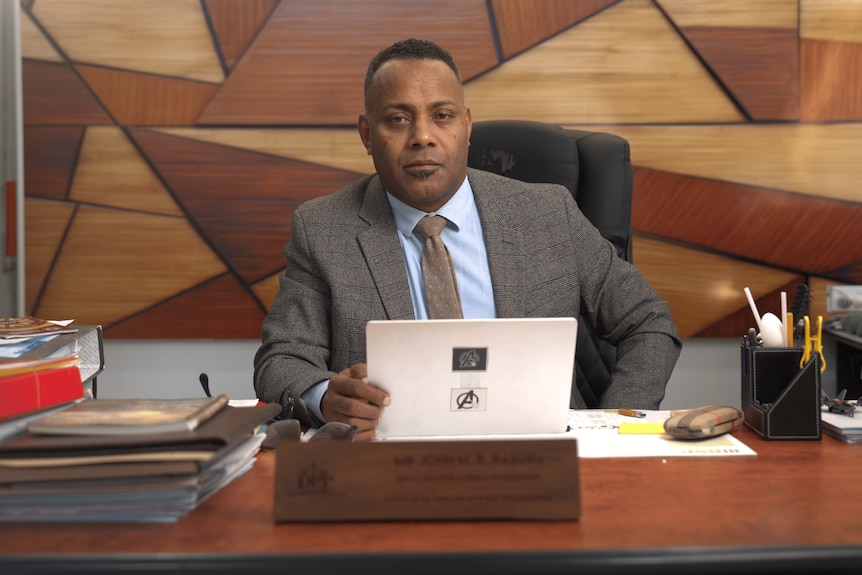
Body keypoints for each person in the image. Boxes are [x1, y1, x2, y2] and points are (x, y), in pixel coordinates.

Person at [254, 38, 681, 441]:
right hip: (392, 460)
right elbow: (282, 360)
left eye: (442, 115)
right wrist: (324, 397)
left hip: (541, 451)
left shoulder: (549, 214)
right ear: (367, 133)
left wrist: (615, 429)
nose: (422, 136)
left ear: (467, 124)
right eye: (398, 119)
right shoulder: (323, 228)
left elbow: (648, 321)